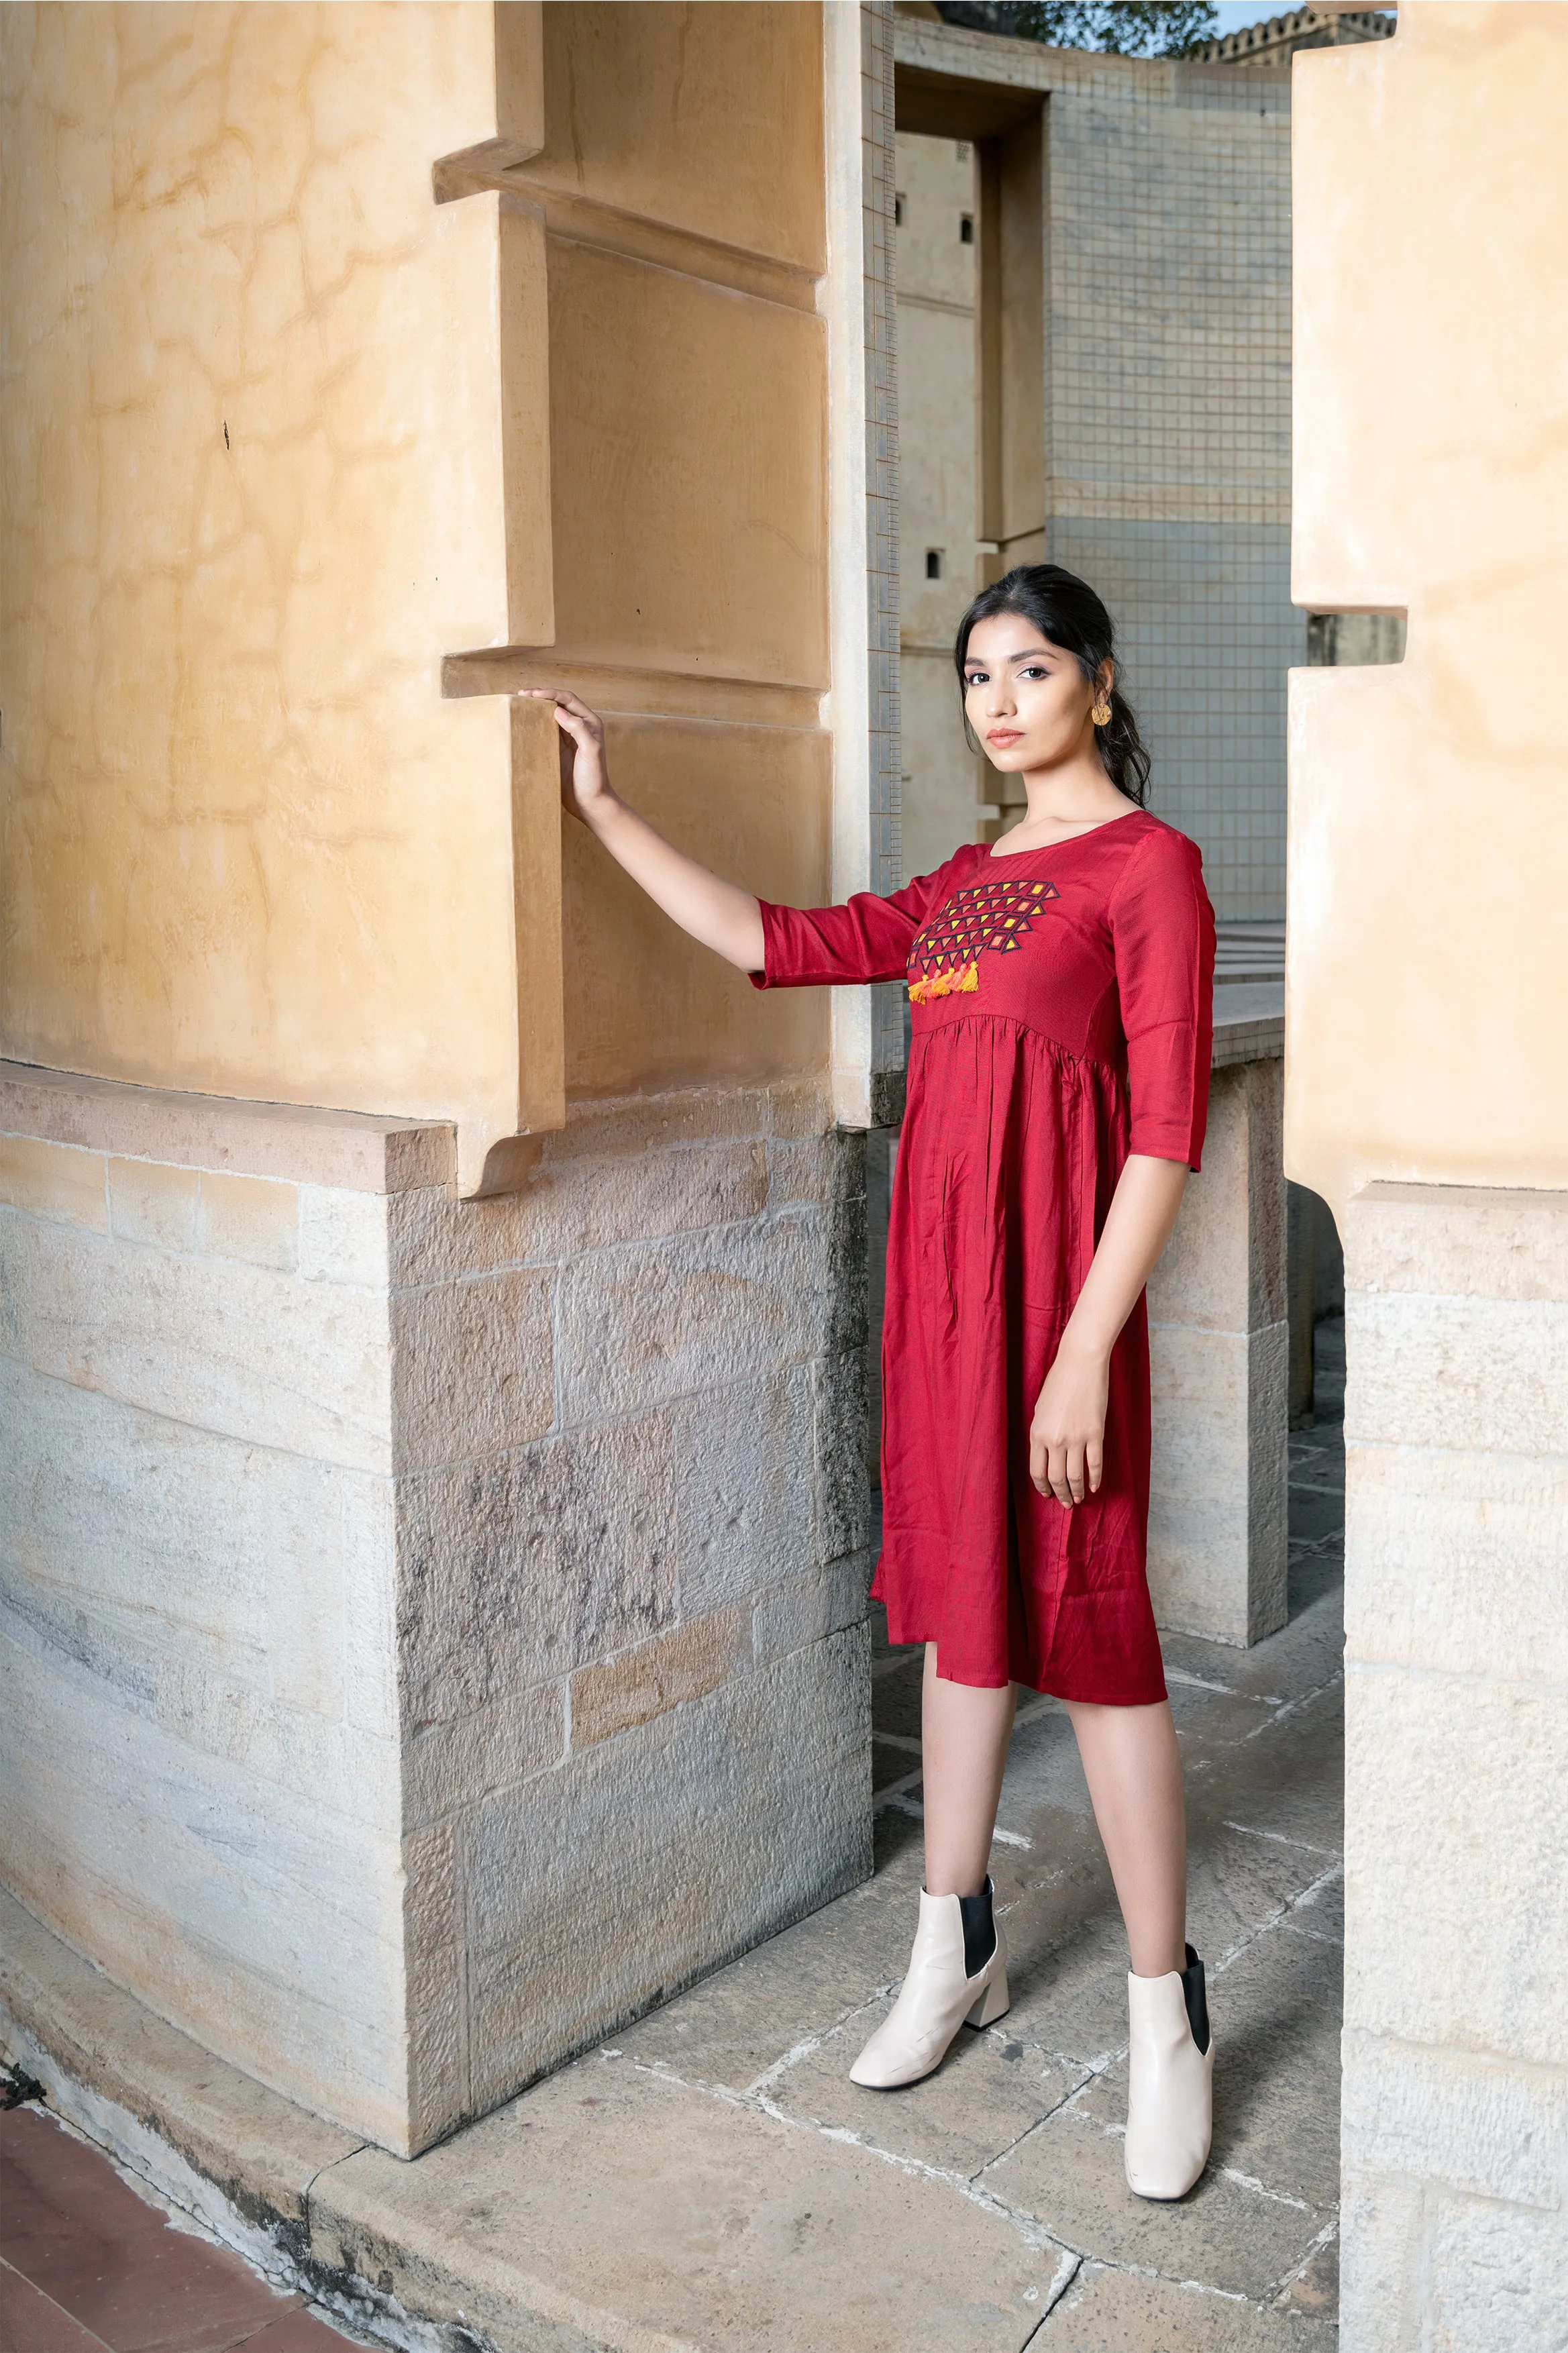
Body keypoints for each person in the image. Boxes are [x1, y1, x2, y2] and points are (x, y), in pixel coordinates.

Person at [527, 564, 1216, 2202]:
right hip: (944, 1313)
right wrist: (605, 811)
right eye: (975, 672)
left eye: (1030, 668)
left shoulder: (1150, 870)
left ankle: (1162, 2010)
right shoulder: (970, 880)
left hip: (1061, 1327)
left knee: (1099, 1641)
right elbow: (778, 939)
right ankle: (950, 1944)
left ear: (1098, 688)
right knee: (963, 1617)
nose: (996, 698)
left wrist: (1080, 1357)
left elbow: (1165, 1134)